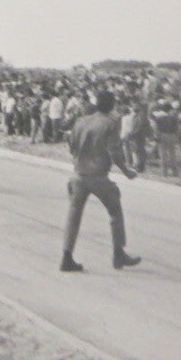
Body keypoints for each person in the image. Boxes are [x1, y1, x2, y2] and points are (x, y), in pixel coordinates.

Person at [60, 90, 140, 273]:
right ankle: (118, 253)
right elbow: (115, 152)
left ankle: (67, 257)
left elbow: (71, 147)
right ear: (111, 105)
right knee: (115, 212)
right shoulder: (110, 123)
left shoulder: (81, 121)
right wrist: (127, 172)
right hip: (98, 176)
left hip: (78, 174)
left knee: (73, 216)